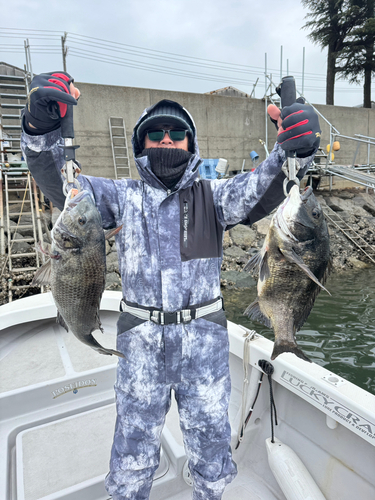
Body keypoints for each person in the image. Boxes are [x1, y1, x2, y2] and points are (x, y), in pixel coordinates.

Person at [21, 71, 321, 500]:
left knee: (211, 449)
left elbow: (265, 188)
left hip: (206, 346)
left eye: (176, 133)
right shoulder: (118, 197)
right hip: (139, 344)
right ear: (140, 144)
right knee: (132, 453)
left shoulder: (214, 197)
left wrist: (295, 149)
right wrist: (39, 129)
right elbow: (61, 185)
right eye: (155, 133)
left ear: (190, 144)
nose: (166, 139)